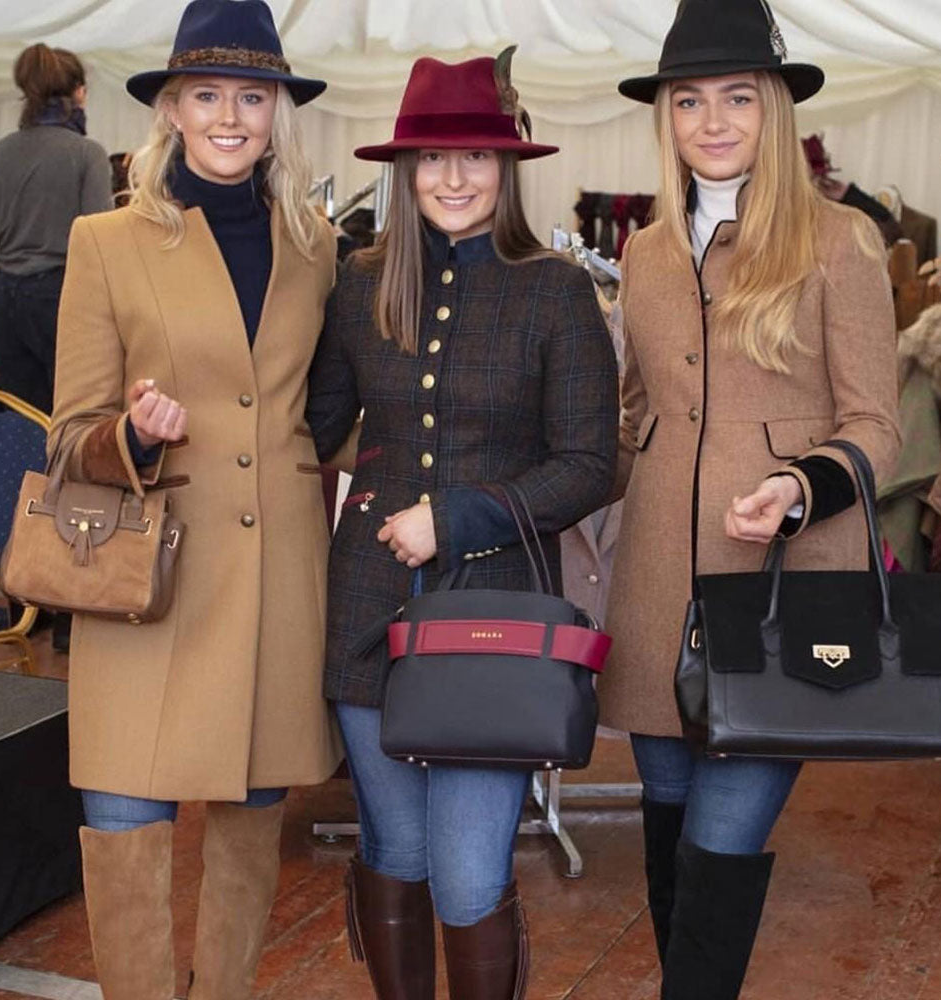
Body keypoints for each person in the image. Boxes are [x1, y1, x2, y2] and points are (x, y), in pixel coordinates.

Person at [305, 51, 619, 1000]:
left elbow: (589, 465)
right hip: (368, 604)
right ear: (402, 172)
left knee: (471, 869)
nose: (453, 179)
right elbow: (306, 429)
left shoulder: (556, 290)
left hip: (497, 618)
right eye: (433, 160)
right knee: (394, 848)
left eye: (476, 158)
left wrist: (459, 516)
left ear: (508, 166)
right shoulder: (359, 285)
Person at [602, 1, 901, 997]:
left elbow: (876, 426)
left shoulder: (839, 241)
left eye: (737, 96)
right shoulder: (644, 252)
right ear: (666, 118)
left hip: (785, 589)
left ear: (774, 109)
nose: (712, 119)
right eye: (689, 100)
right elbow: (634, 409)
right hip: (656, 586)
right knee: (671, 820)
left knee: (723, 834)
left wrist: (793, 485)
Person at [48, 2, 340, 998]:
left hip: (274, 578)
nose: (229, 116)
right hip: (150, 573)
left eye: (250, 97)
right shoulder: (106, 241)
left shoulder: (314, 244)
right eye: (207, 94)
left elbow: (322, 402)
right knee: (124, 812)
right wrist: (128, 434)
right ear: (170, 108)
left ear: (276, 113)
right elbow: (65, 436)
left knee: (251, 816)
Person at [0, 43, 112, 415]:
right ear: (79, 93)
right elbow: (99, 240)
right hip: (59, 297)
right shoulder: (86, 152)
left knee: (26, 421)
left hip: (4, 297)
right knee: (73, 419)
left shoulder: (1, 150)